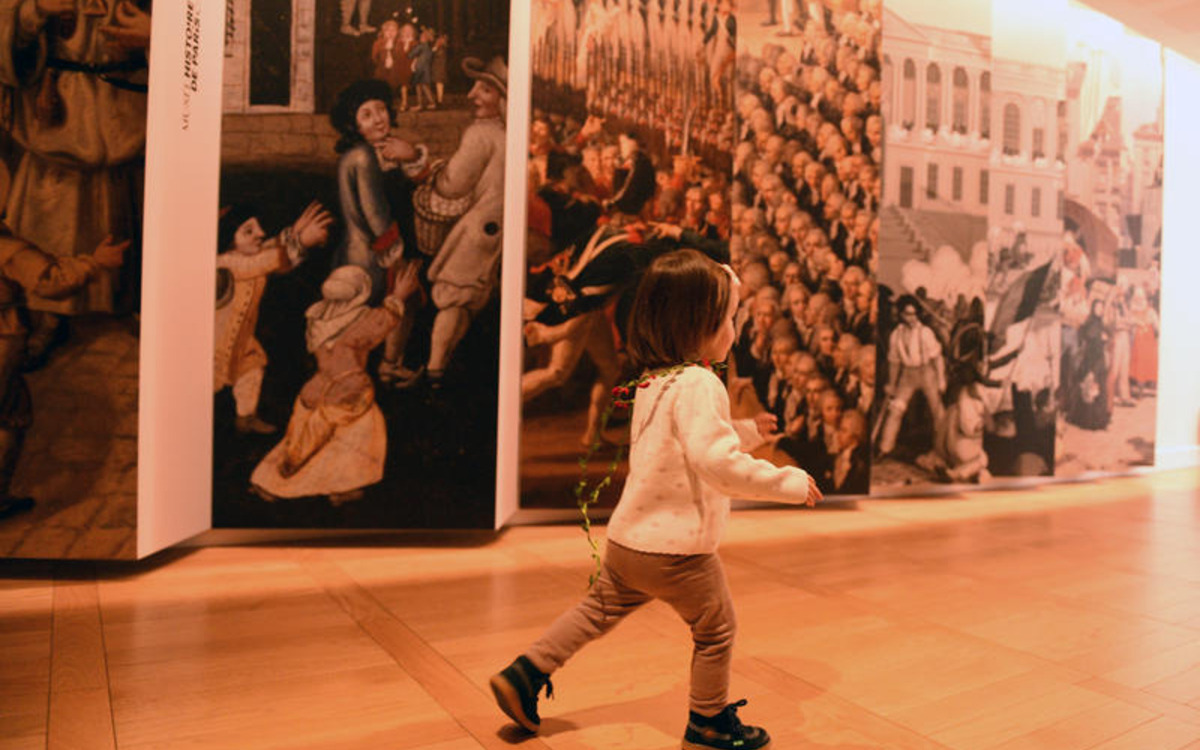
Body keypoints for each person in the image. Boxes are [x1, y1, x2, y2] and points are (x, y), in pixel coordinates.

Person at [489, 249, 822, 750]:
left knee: (595, 610)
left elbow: (691, 444)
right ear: (699, 326)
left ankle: (525, 673)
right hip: (677, 553)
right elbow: (715, 462)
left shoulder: (655, 379)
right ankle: (708, 721)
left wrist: (749, 431)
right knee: (716, 629)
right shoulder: (702, 383)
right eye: (727, 320)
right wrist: (787, 482)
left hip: (629, 544)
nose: (732, 331)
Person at [0, 0, 152, 365]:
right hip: (58, 112)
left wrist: (156, 36)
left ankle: (143, 306)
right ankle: (51, 314)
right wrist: (33, 11)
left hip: (127, 102)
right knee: (56, 207)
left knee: (132, 203)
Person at [250, 263, 420, 505]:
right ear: (360, 291)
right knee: (364, 436)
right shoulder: (354, 321)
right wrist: (399, 296)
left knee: (299, 441)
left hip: (316, 389)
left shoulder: (318, 319)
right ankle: (342, 489)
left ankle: (267, 481)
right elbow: (379, 324)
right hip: (347, 391)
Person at [0, 221, 127, 520]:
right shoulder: (8, 250)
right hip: (2, 339)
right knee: (8, 416)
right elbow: (51, 281)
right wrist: (95, 262)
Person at [328, 79, 422, 383]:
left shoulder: (368, 154)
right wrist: (393, 253)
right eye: (366, 114)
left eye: (381, 109)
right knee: (395, 303)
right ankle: (382, 366)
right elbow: (374, 211)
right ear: (353, 124)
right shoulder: (363, 156)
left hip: (363, 248)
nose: (378, 118)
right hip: (373, 251)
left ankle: (377, 367)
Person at [214, 202, 334, 434]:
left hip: (241, 339)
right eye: (249, 231)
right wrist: (302, 241)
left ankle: (245, 417)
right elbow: (267, 261)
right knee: (209, 382)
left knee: (251, 370)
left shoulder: (248, 253)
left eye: (257, 227)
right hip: (217, 343)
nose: (260, 233)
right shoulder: (228, 262)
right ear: (230, 239)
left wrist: (295, 232)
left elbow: (270, 249)